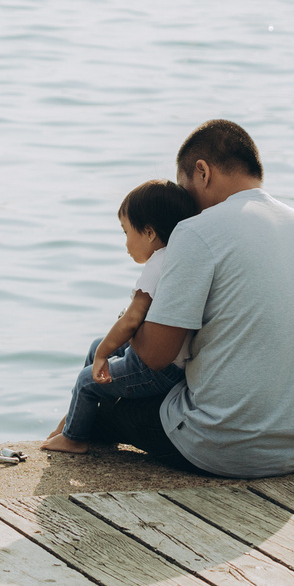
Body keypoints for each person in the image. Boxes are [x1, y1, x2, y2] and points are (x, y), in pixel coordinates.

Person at [70, 119, 294, 477]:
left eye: (185, 189)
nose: (183, 203)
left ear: (202, 172)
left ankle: (67, 435)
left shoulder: (196, 231)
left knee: (104, 403)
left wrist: (134, 314)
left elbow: (154, 356)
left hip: (222, 446)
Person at [42, 179, 200, 453]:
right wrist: (101, 349)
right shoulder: (177, 258)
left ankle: (75, 438)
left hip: (158, 371)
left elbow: (131, 319)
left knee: (87, 380)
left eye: (126, 231)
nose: (125, 242)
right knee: (95, 347)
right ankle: (75, 419)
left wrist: (104, 352)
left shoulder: (157, 265)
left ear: (149, 232)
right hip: (173, 363)